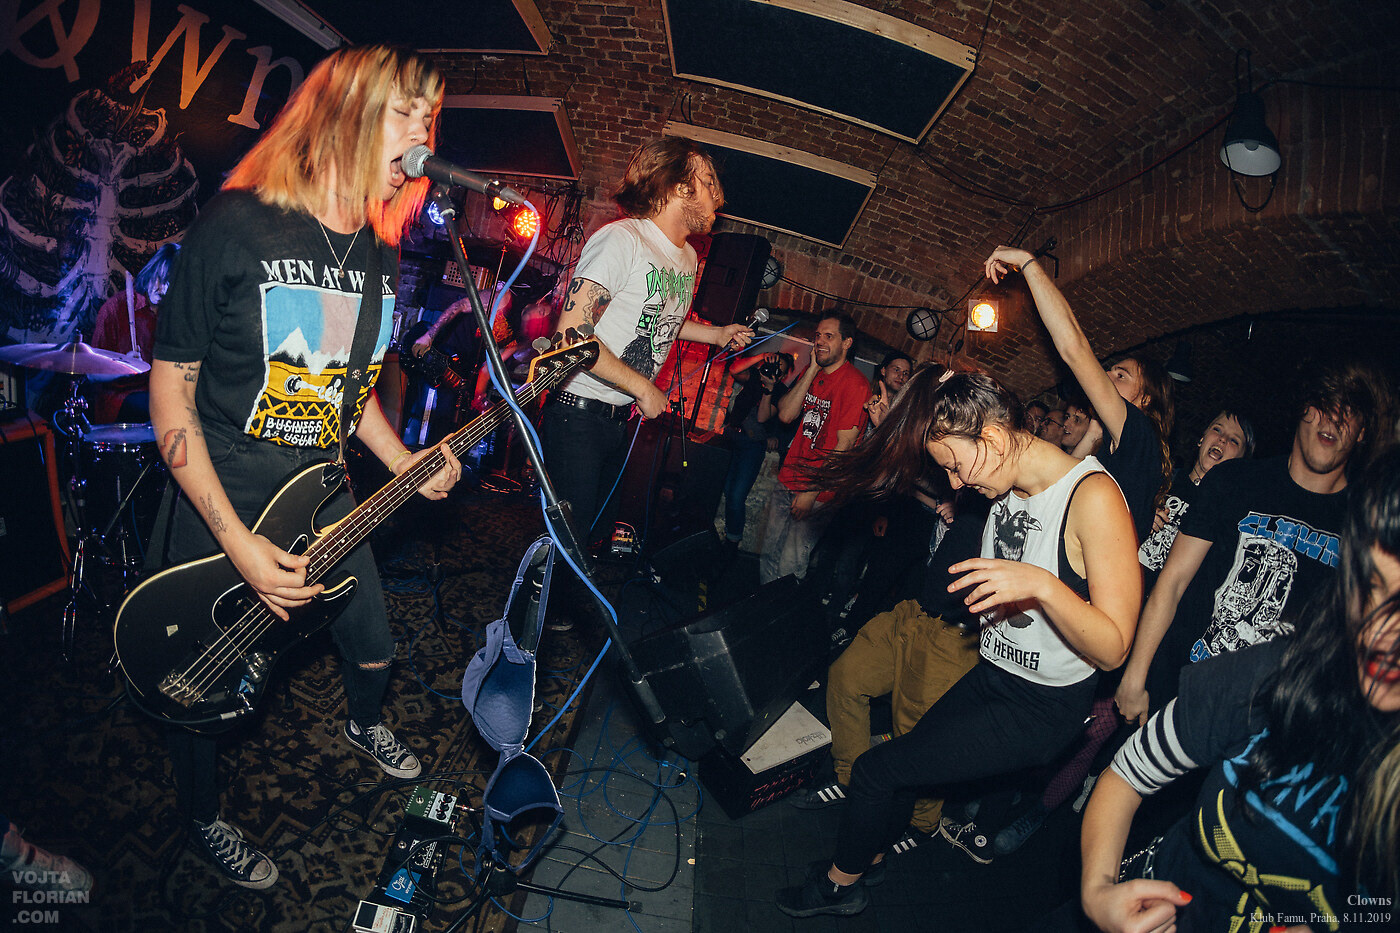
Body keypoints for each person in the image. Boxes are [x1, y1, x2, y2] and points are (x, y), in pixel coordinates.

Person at [147, 45, 461, 889]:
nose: (423, 135)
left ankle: (362, 722)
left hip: (321, 492)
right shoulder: (238, 222)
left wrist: (405, 461)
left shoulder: (380, 251)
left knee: (374, 643)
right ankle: (200, 814)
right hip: (222, 496)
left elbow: (347, 392)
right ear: (348, 112)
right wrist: (239, 545)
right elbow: (169, 393)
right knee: (202, 686)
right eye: (405, 112)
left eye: (431, 118)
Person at [775, 369, 1141, 917]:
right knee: (902, 771)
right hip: (992, 674)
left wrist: (1043, 586)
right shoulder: (1006, 474)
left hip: (1039, 708)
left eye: (953, 465)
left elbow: (1114, 647)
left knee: (877, 771)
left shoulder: (1092, 497)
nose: (955, 482)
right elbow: (958, 412)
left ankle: (838, 886)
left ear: (990, 439)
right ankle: (870, 859)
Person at [1077, 446, 1400, 933]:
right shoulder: (1271, 673)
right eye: (1373, 587)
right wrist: (1099, 891)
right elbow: (1128, 773)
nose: (1382, 635)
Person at [1115, 359, 1394, 728]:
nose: (1333, 419)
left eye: (1350, 411)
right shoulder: (1234, 480)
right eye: (1325, 403)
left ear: (1361, 433)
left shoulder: (1366, 524)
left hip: (1266, 723)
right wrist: (1136, 675)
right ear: (1303, 409)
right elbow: (1174, 581)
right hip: (1178, 694)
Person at [540, 137, 753, 545]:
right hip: (577, 414)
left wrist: (716, 334)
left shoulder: (687, 258)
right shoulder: (623, 240)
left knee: (594, 535)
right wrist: (642, 387)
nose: (718, 197)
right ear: (679, 187)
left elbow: (662, 319)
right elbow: (571, 337)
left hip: (618, 420)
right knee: (567, 544)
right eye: (709, 182)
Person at [986, 246, 1175, 542]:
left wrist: (1027, 262)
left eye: (1121, 376)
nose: (1107, 377)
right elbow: (1060, 484)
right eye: (1110, 371)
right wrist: (1095, 430)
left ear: (1146, 399)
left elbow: (1073, 347)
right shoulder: (1117, 445)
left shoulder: (1139, 431)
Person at [758, 311, 869, 584]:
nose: (820, 341)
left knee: (790, 564)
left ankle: (781, 612)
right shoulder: (813, 374)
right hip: (788, 477)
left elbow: (845, 445)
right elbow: (786, 415)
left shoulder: (856, 384)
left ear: (847, 343)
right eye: (818, 336)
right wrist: (811, 371)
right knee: (768, 555)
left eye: (829, 336)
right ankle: (759, 607)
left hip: (818, 493)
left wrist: (811, 492)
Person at [1136, 410, 1255, 587]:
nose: (1222, 439)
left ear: (1241, 461)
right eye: (1217, 430)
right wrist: (1141, 518)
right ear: (1202, 439)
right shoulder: (1161, 479)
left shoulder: (1231, 517)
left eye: (1234, 440)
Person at [88, 243, 180, 423]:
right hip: (120, 397)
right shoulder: (115, 309)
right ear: (151, 273)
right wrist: (124, 367)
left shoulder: (175, 314)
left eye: (171, 283)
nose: (162, 289)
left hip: (158, 393)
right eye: (159, 279)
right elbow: (91, 374)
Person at [720, 350, 792, 547]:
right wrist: (761, 357)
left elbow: (762, 418)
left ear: (782, 376)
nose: (773, 370)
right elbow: (734, 369)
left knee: (737, 495)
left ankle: (732, 541)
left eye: (779, 369)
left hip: (751, 445)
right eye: (773, 364)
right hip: (731, 436)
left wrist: (769, 389)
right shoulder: (753, 376)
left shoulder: (781, 393)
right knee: (724, 487)